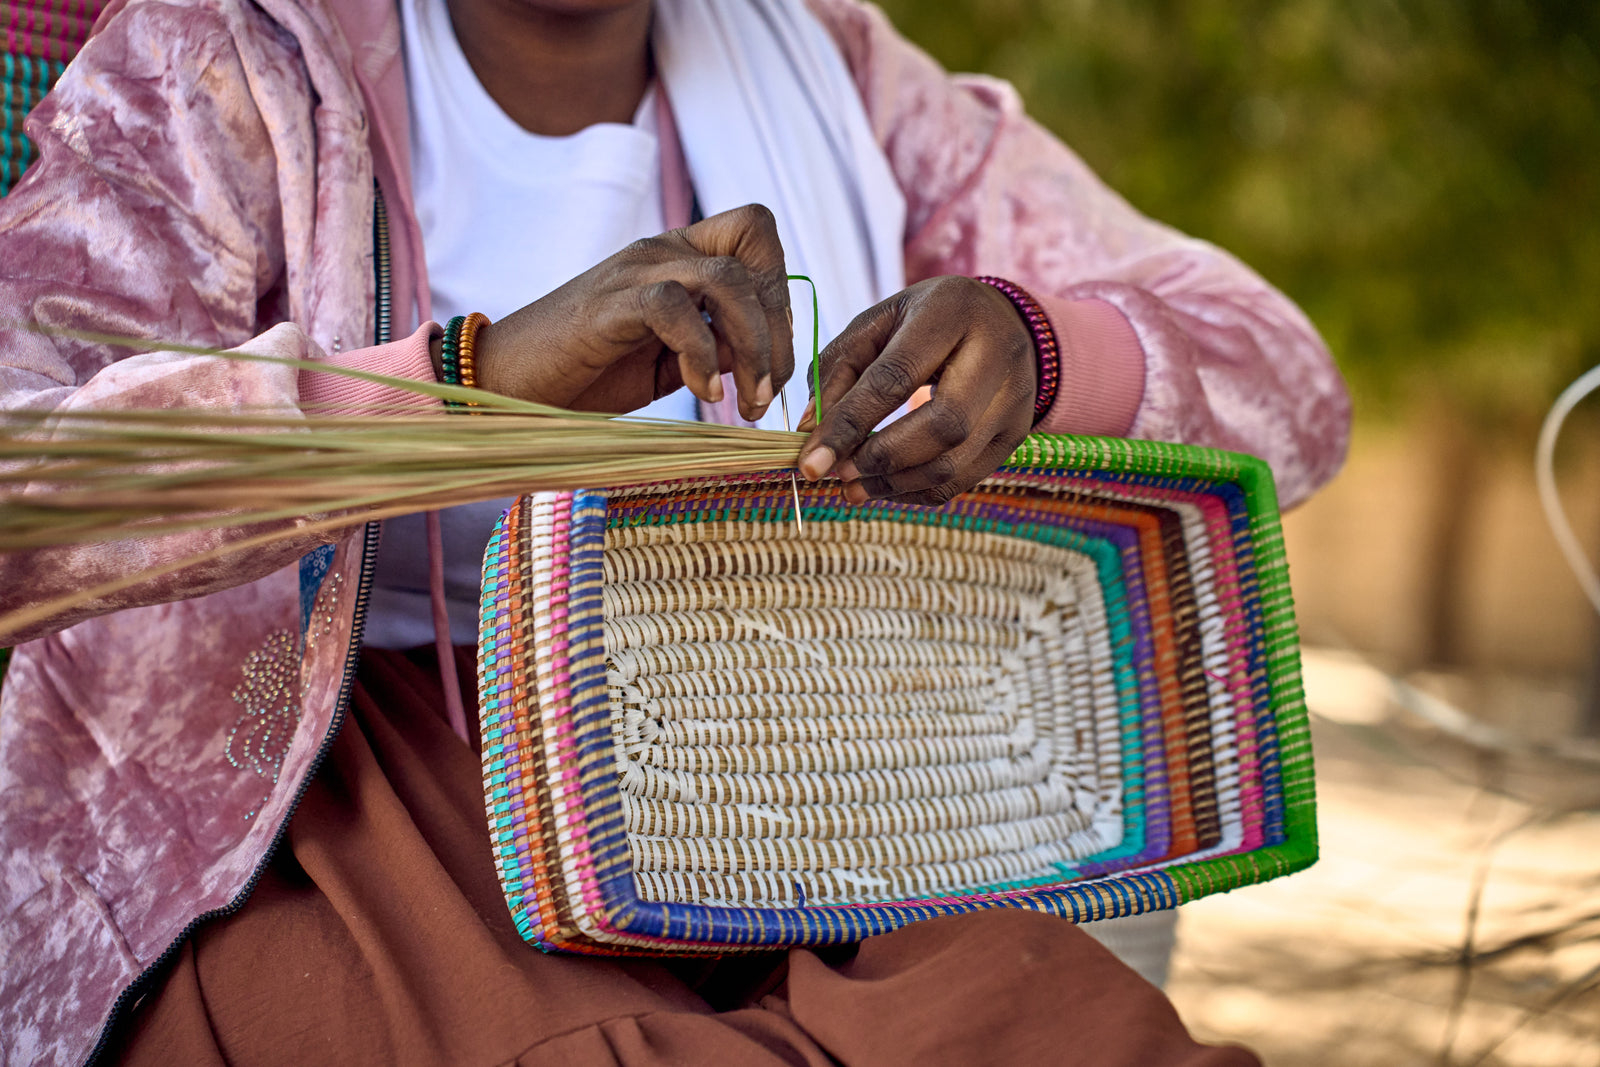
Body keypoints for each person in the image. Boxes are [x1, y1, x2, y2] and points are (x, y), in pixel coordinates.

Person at [0, 0, 1350, 1063]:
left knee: (1070, 1035)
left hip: (801, 771)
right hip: (327, 801)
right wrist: (468, 380)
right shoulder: (233, 64)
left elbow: (1285, 379)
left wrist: (1040, 354)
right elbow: (29, 487)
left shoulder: (839, 71)